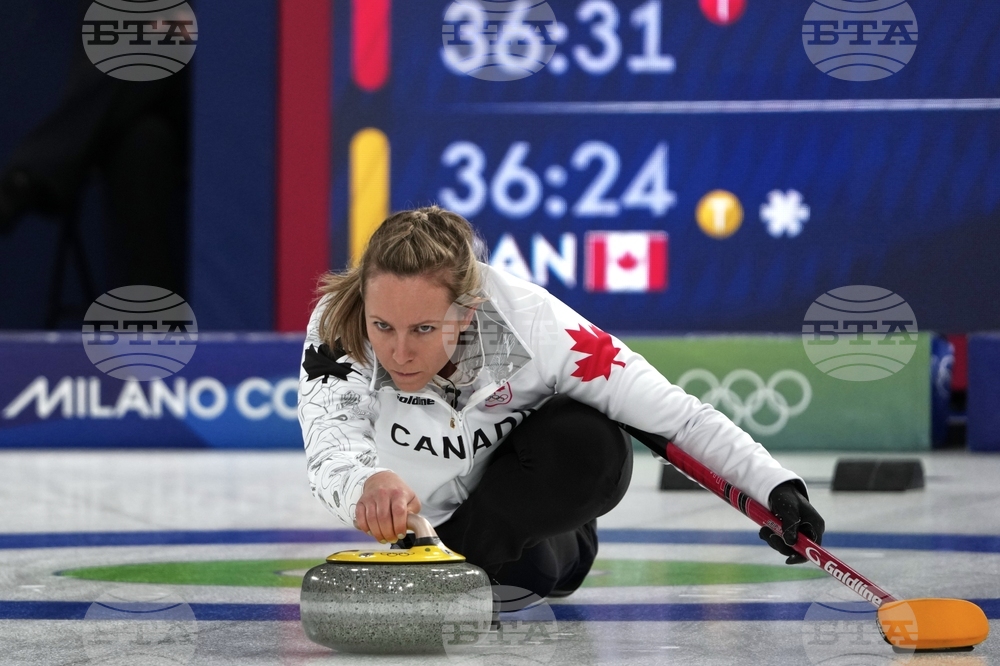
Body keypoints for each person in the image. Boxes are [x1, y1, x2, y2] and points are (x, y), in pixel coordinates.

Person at [297, 205, 825, 600]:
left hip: (534, 545)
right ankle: (443, 570)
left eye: (424, 328)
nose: (398, 351)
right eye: (383, 326)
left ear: (467, 312)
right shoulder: (339, 324)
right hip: (421, 535)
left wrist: (773, 484)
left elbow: (675, 417)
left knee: (591, 439)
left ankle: (461, 570)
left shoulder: (536, 324)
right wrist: (367, 482)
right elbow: (332, 443)